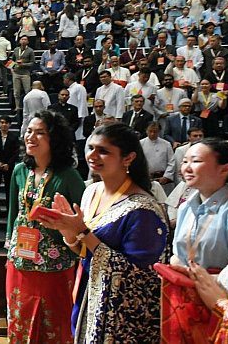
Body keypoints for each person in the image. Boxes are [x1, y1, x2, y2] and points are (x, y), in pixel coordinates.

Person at [39, 122, 169, 343]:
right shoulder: (91, 191)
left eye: (104, 151)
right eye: (90, 148)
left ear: (128, 158)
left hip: (122, 314)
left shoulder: (142, 210)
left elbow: (140, 277)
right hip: (89, 293)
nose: (93, 155)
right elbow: (83, 250)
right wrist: (69, 232)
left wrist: (82, 231)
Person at [5, 109, 85, 344]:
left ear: (55, 139)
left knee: (54, 324)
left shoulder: (69, 175)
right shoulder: (20, 170)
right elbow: (14, 212)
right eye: (29, 131)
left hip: (55, 264)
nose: (31, 137)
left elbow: (83, 218)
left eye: (40, 133)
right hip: (19, 260)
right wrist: (9, 248)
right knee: (18, 320)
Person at [171, 139, 228, 270]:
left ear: (224, 169)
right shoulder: (186, 207)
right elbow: (178, 255)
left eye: (196, 161)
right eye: (185, 161)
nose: (187, 168)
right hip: (187, 287)